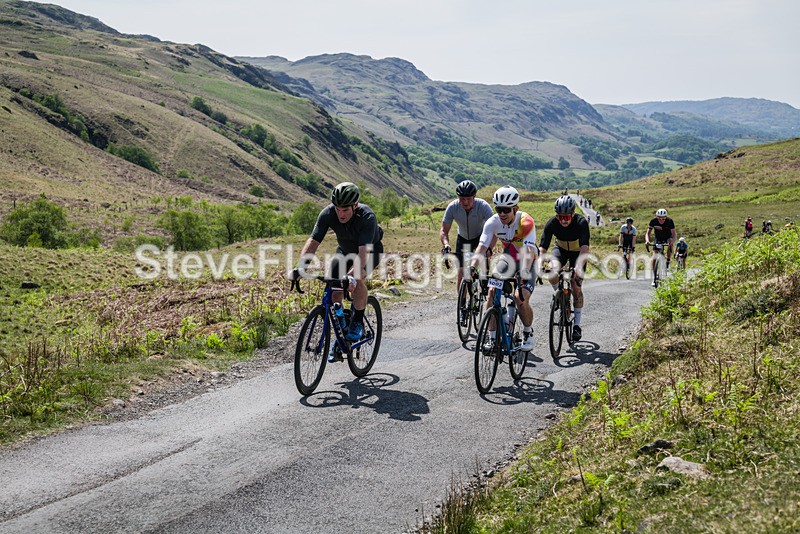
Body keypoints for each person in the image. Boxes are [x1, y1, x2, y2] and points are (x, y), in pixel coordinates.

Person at [290, 182, 384, 362]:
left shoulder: (367, 217)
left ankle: (357, 322)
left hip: (369, 252)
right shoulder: (327, 213)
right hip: (344, 252)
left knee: (357, 279)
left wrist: (351, 277)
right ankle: (342, 332)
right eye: (338, 209)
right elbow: (313, 241)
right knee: (334, 290)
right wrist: (301, 267)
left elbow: (363, 254)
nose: (341, 214)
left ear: (355, 206)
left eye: (345, 210)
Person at [467, 186, 537, 351]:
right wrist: (472, 267)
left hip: (528, 261)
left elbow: (529, 251)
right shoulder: (493, 222)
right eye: (499, 209)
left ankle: (528, 332)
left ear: (515, 209)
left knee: (520, 299)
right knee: (491, 292)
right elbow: (482, 247)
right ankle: (492, 338)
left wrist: (524, 272)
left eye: (506, 210)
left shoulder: (526, 222)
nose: (502, 214)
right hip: (508, 258)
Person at [538, 195, 591, 342]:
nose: (563, 220)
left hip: (578, 253)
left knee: (576, 286)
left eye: (566, 217)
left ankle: (577, 325)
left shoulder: (581, 222)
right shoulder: (552, 223)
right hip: (560, 249)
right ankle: (559, 295)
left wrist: (578, 267)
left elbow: (584, 248)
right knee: (551, 271)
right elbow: (543, 247)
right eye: (560, 217)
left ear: (573, 214)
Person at [440, 180, 494, 291]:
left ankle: (485, 292)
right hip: (463, 239)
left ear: (474, 197)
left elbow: (494, 228)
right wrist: (446, 245)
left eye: (468, 199)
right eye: (462, 199)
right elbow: (444, 230)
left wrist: (489, 247)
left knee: (484, 271)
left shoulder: (483, 206)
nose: (465, 202)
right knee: (461, 273)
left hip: (480, 239)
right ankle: (461, 300)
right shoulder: (453, 207)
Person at [645, 208, 677, 282]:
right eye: (659, 218)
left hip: (668, 237)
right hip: (658, 238)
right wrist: (647, 241)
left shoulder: (669, 221)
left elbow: (674, 234)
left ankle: (668, 260)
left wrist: (672, 241)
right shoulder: (653, 221)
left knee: (670, 243)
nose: (661, 220)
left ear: (666, 217)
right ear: (657, 217)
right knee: (654, 257)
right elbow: (648, 233)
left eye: (663, 218)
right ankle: (655, 277)